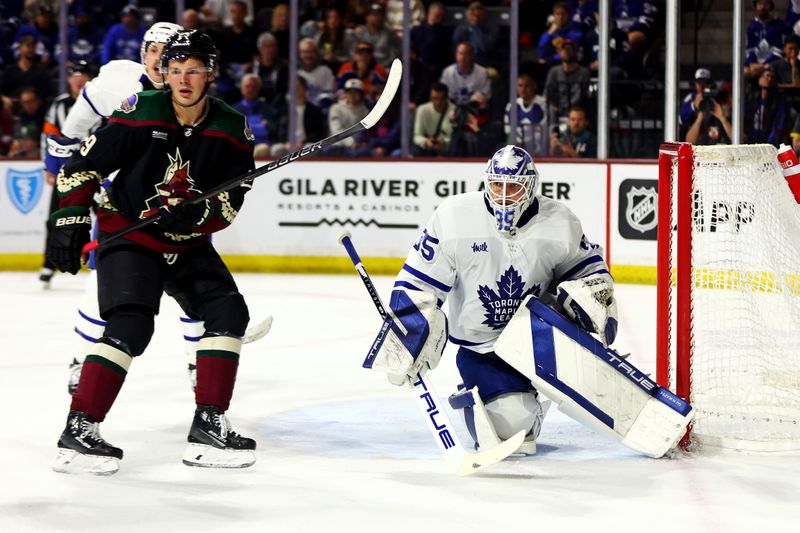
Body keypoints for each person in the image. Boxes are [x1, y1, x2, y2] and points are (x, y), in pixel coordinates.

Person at [48, 30, 257, 475]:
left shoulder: (231, 129)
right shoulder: (141, 112)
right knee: (130, 323)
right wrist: (69, 219)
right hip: (131, 234)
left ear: (210, 74)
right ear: (164, 72)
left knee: (228, 313)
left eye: (194, 71)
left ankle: (208, 426)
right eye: (176, 70)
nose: (184, 80)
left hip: (187, 243)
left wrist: (196, 219)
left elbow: (232, 198)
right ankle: (79, 430)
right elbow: (82, 166)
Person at [371, 145, 616, 455]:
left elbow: (591, 274)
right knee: (514, 431)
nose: (503, 195)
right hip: (484, 350)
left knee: (605, 398)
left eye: (512, 186)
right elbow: (418, 282)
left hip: (542, 341)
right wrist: (407, 335)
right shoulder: (454, 217)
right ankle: (496, 400)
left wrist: (591, 301)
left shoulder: (560, 221)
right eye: (496, 185)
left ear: (530, 186)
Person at [42, 22, 210, 397]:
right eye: (150, 49)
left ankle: (198, 362)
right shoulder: (116, 83)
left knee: (192, 288)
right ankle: (82, 359)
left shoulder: (195, 94)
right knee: (102, 284)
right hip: (124, 205)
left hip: (177, 208)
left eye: (165, 51)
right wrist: (60, 167)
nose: (156, 58)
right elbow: (73, 130)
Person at [38, 61, 92, 288]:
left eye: (83, 74)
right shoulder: (59, 105)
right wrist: (48, 167)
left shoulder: (97, 102)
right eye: (74, 74)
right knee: (54, 219)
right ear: (68, 79)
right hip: (66, 172)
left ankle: (106, 261)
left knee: (109, 214)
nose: (79, 78)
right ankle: (49, 263)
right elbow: (48, 136)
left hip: (96, 169)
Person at [412, 81, 455, 156]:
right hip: (427, 149)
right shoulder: (422, 110)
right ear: (430, 97)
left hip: (449, 150)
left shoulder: (455, 110)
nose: (438, 103)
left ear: (446, 98)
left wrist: (444, 142)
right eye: (434, 98)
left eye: (441, 99)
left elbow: (457, 137)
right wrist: (426, 142)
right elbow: (417, 135)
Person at [679, 68, 715, 140]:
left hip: (711, 133)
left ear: (709, 84)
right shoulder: (691, 97)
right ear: (695, 84)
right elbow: (680, 118)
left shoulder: (714, 97)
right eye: (699, 82)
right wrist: (693, 106)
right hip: (693, 133)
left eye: (704, 82)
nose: (701, 86)